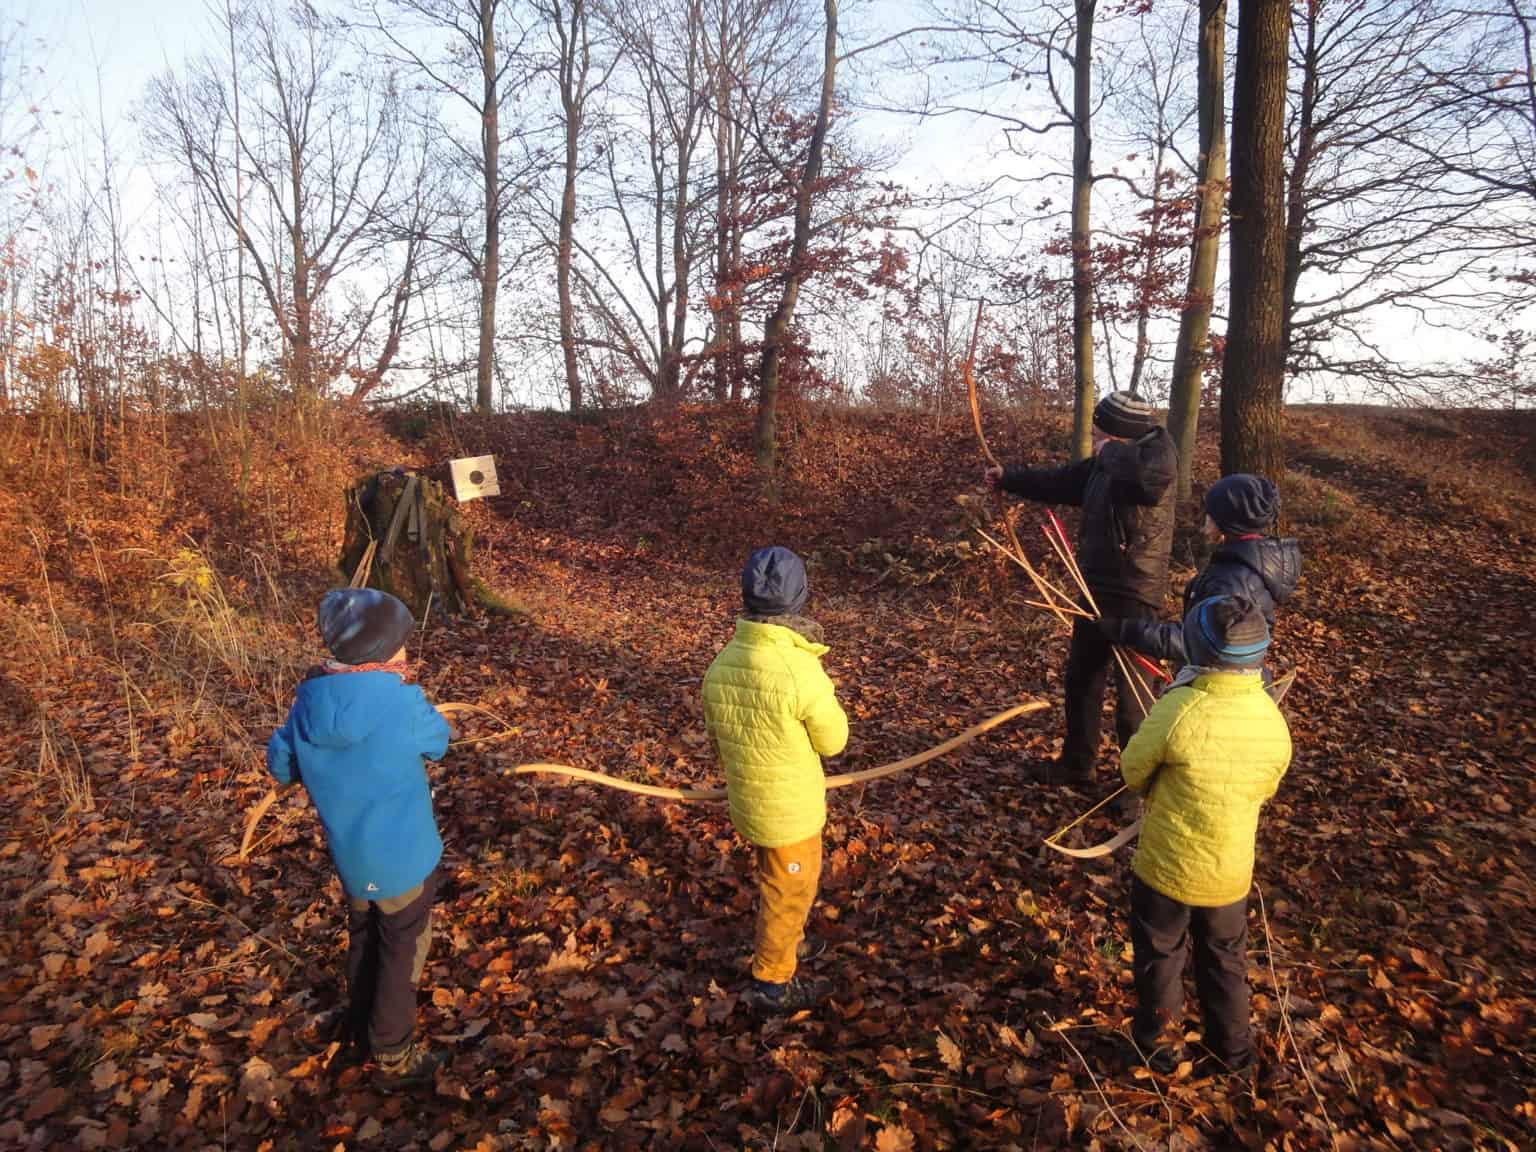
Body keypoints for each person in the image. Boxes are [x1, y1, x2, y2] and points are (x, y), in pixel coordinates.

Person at [267, 588, 452, 1087]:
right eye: (400, 647)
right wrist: (417, 705)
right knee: (402, 949)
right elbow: (439, 741)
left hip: (352, 858)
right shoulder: (400, 701)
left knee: (365, 934)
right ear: (381, 655)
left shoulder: (307, 703)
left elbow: (280, 766)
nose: (406, 654)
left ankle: (358, 1024)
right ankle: (392, 1050)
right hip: (406, 860)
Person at [1119, 595, 1291, 1075]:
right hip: (1229, 876)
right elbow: (1267, 785)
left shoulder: (1179, 707)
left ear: (1196, 648)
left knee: (1161, 958)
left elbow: (1132, 771)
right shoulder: (1271, 720)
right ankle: (1235, 1058)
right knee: (1225, 961)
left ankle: (1160, 1054)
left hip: (1165, 872)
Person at [985, 391, 1178, 784]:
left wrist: (1109, 451)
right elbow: (1064, 480)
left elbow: (1148, 482)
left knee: (1133, 699)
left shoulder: (1154, 458)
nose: (1094, 439)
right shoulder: (1109, 462)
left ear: (1119, 435)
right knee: (1082, 681)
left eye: (1100, 432)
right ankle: (1077, 765)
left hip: (1134, 591)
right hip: (1095, 589)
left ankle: (1135, 784)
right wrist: (1010, 478)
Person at [702, 547, 849, 1015]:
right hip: (790, 813)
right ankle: (772, 981)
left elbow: (715, 734)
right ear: (800, 598)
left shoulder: (723, 662)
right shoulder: (800, 670)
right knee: (788, 890)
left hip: (750, 801)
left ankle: (790, 943)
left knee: (785, 883)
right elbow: (833, 741)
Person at [1102, 474, 1300, 672]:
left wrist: (1126, 631)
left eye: (1210, 513)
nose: (1205, 518)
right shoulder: (1243, 562)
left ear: (1227, 522)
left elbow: (1199, 641)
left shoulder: (1232, 580)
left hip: (1216, 686)